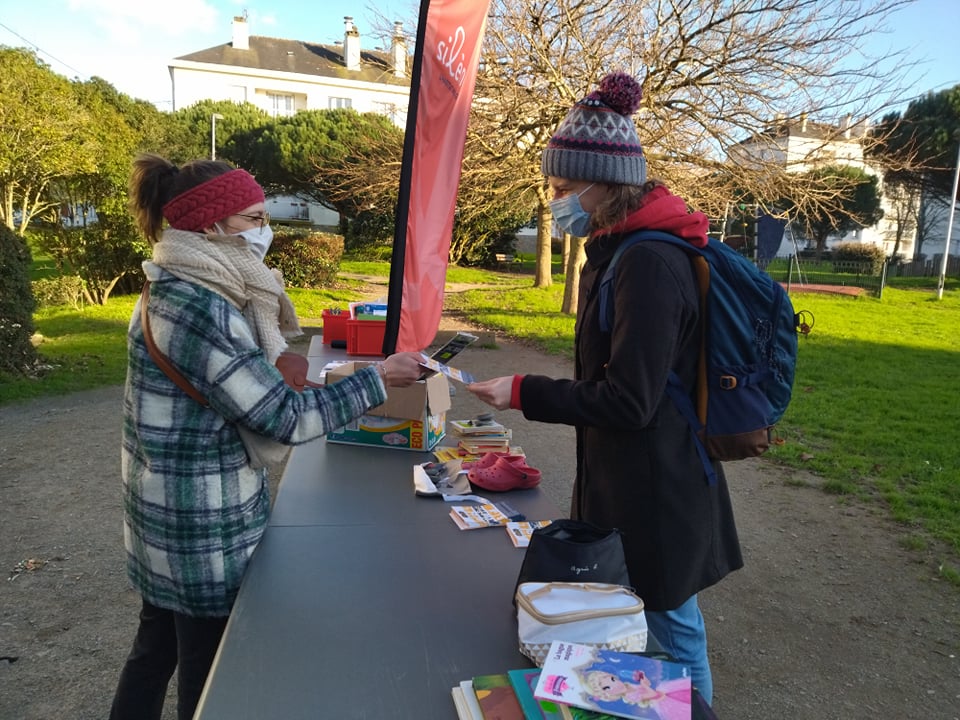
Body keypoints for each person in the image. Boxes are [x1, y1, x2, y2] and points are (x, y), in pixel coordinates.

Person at [111, 154, 423, 720]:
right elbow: (283, 419)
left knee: (153, 651)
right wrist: (380, 379)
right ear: (210, 225)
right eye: (254, 218)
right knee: (209, 678)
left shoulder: (172, 282)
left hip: (163, 511)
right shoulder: (201, 303)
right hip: (200, 526)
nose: (265, 230)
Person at [467, 73, 742, 705]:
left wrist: (524, 390)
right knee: (652, 624)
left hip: (659, 488)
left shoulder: (648, 260)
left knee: (672, 631)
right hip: (632, 479)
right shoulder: (616, 250)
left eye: (564, 188)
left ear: (603, 185)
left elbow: (630, 400)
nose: (556, 199)